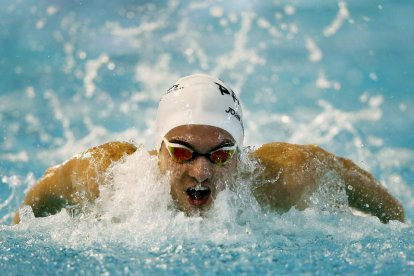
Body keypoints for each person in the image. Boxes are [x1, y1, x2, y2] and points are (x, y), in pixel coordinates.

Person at [13, 74, 404, 224]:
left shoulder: (288, 174)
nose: (201, 173)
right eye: (182, 152)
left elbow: (388, 210)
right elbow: (24, 217)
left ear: (241, 153)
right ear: (159, 150)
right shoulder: (104, 174)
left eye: (221, 155)